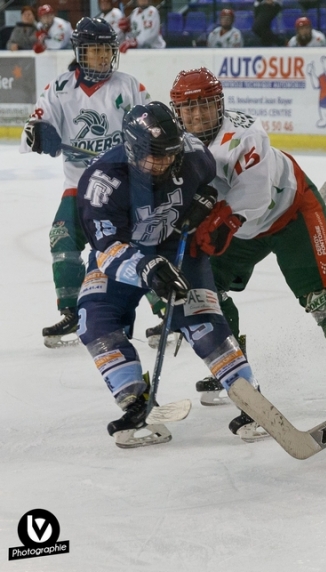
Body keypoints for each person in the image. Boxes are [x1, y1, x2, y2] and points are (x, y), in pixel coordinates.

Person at [169, 68, 326, 404]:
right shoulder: (172, 143)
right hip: (239, 229)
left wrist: (219, 220)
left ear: (219, 104)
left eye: (204, 105)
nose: (197, 115)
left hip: (291, 213)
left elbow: (255, 195)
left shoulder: (245, 135)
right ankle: (231, 365)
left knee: (322, 298)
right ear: (177, 112)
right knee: (205, 292)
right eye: (188, 108)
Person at [75, 101, 261, 448]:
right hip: (125, 255)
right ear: (132, 149)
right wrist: (146, 268)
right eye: (154, 155)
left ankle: (250, 396)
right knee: (93, 319)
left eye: (169, 154)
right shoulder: (102, 184)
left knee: (200, 320)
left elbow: (214, 182)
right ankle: (135, 401)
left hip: (178, 247)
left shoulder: (193, 155)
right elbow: (106, 248)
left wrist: (207, 200)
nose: (163, 162)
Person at [20, 17, 151, 348]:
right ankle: (71, 312)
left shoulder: (129, 87)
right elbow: (33, 127)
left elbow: (153, 130)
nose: (103, 57)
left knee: (137, 245)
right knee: (62, 239)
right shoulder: (59, 89)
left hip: (121, 186)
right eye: (95, 50)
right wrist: (41, 134)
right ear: (80, 52)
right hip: (78, 186)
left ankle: (168, 311)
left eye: (107, 50)